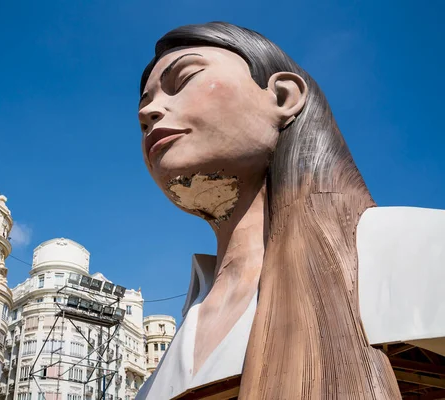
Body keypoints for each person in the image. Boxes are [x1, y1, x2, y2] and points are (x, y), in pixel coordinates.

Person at [136, 22, 445, 399]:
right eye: (144, 103)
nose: (149, 112)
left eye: (184, 79)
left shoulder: (415, 250)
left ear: (283, 96)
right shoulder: (181, 335)